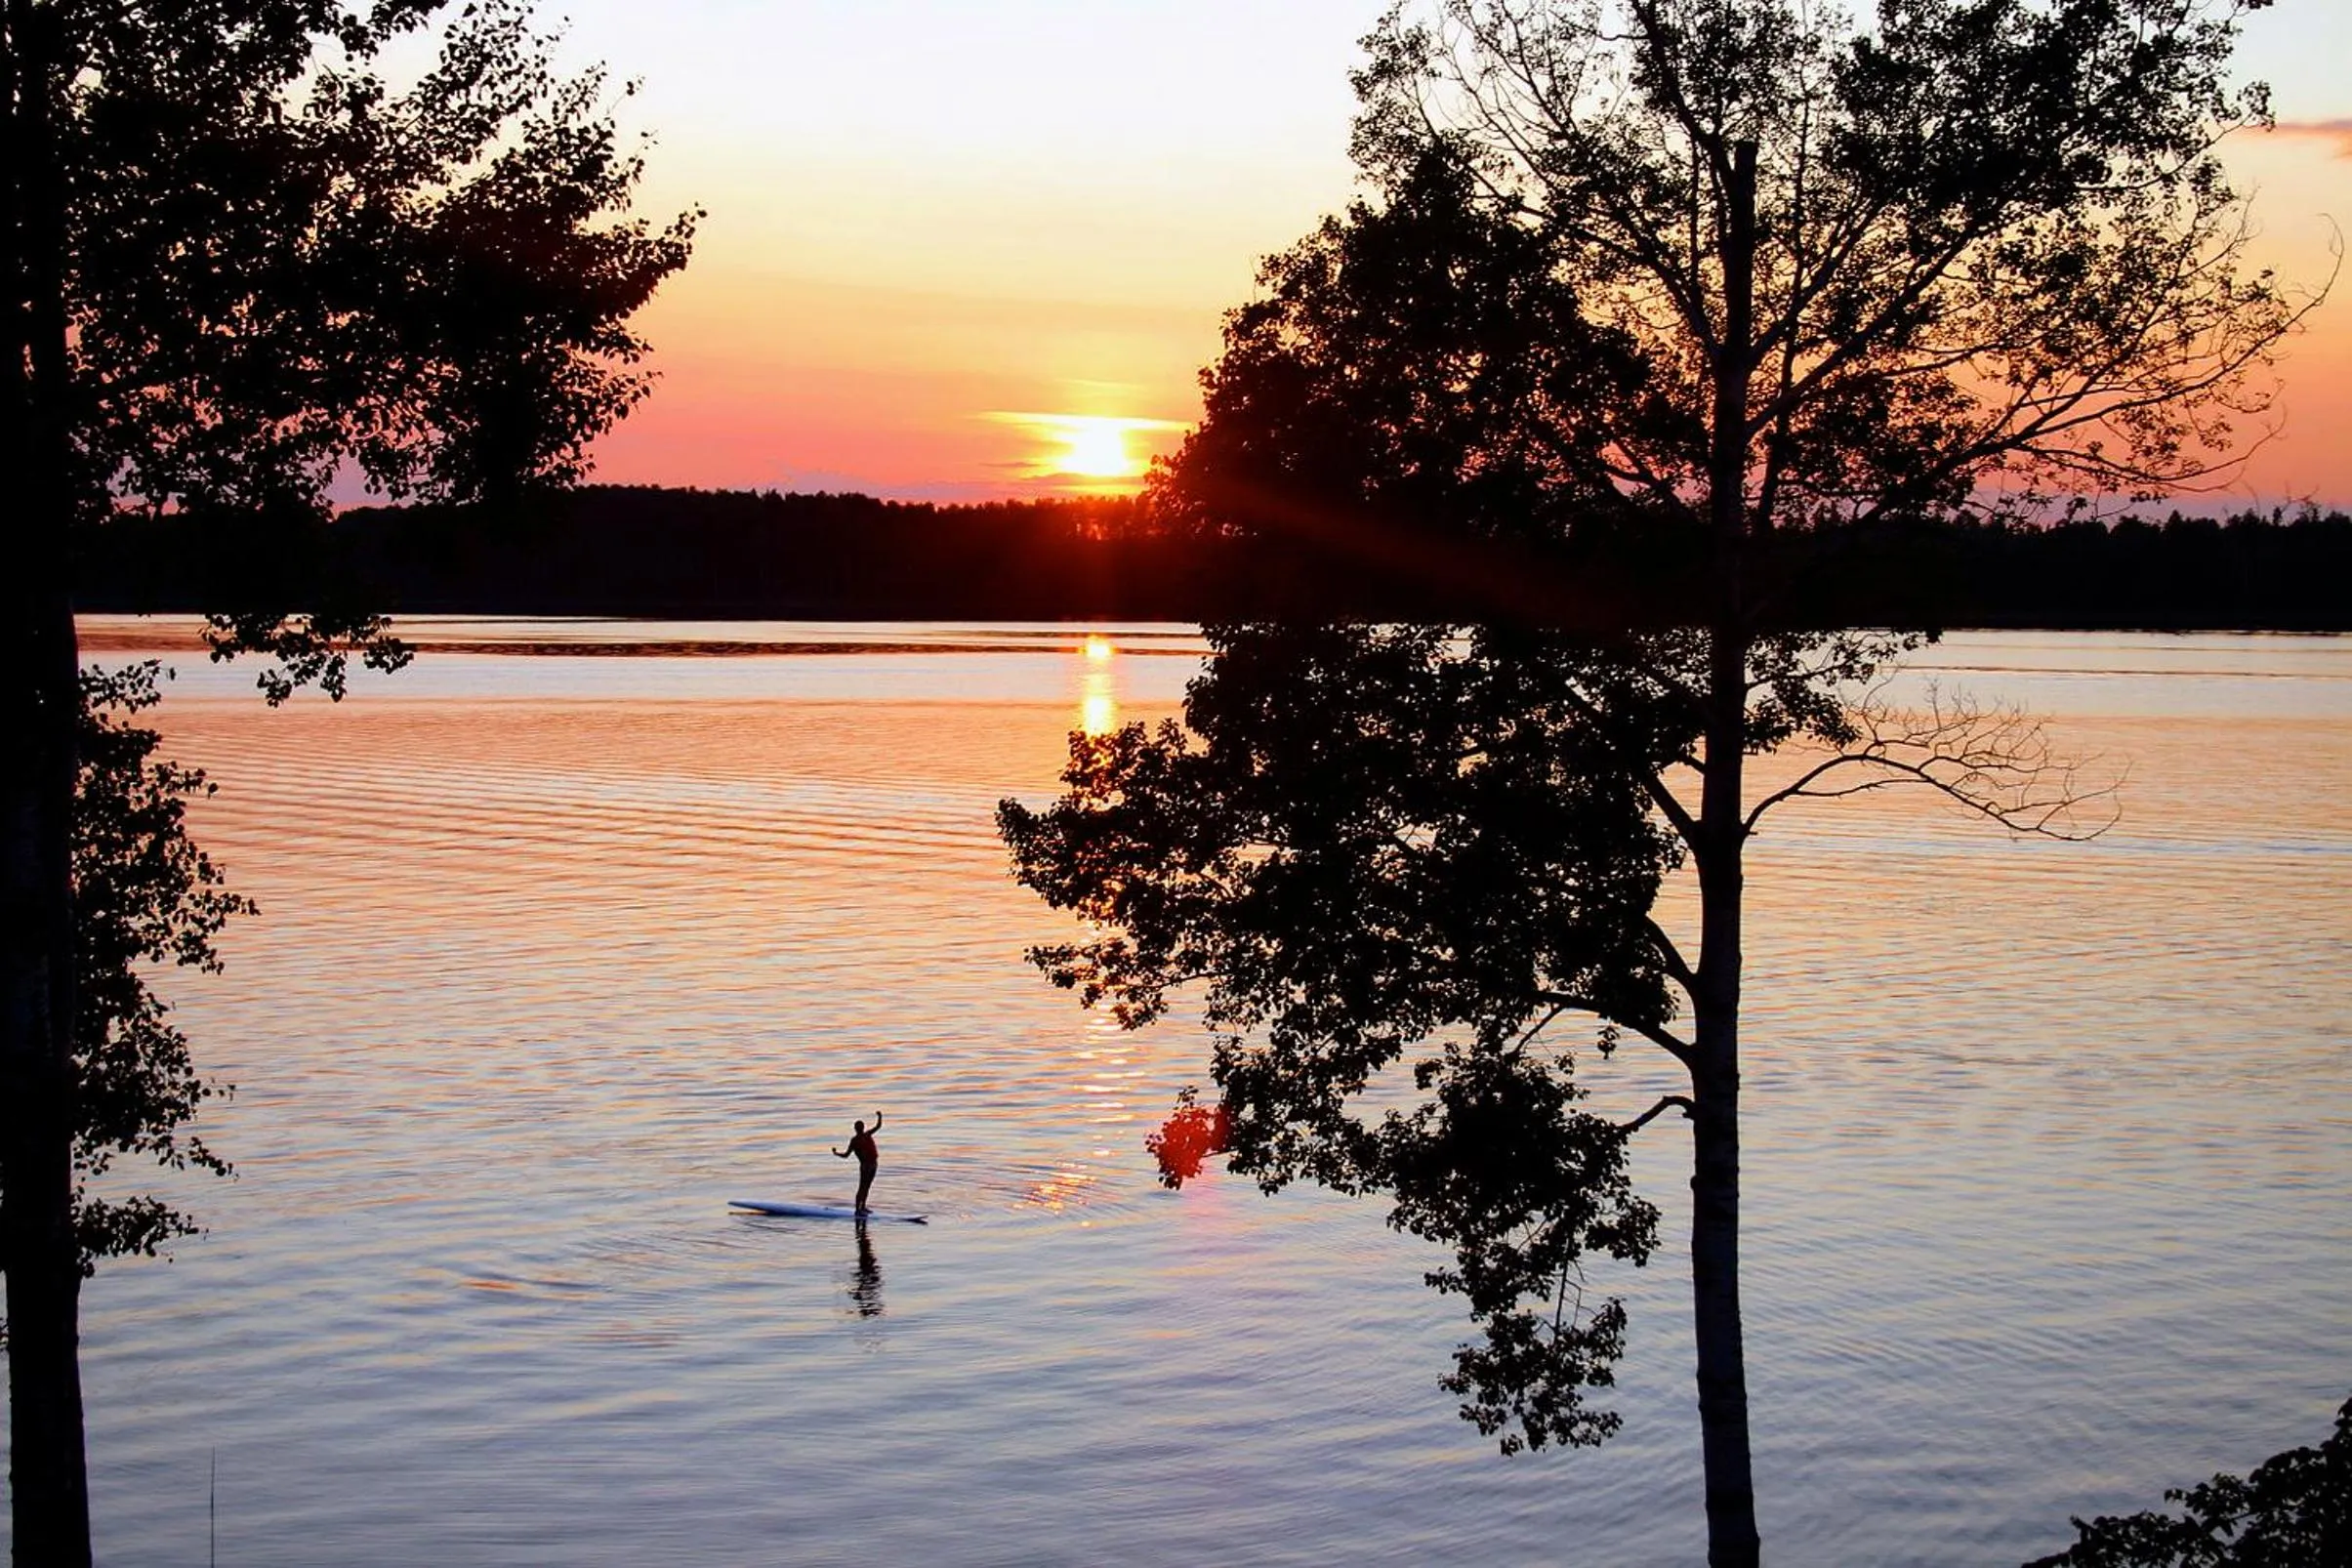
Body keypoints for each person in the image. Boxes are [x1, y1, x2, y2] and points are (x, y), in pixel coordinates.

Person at [831, 1112, 884, 1214]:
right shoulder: (854, 1141)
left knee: (867, 1187)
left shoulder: (867, 1134)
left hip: (873, 1164)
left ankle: (862, 1207)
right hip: (866, 1166)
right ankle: (857, 1209)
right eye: (859, 1127)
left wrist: (880, 1117)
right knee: (862, 1187)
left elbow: (878, 1126)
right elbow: (846, 1155)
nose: (861, 1128)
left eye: (861, 1126)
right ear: (856, 1128)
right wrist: (836, 1153)